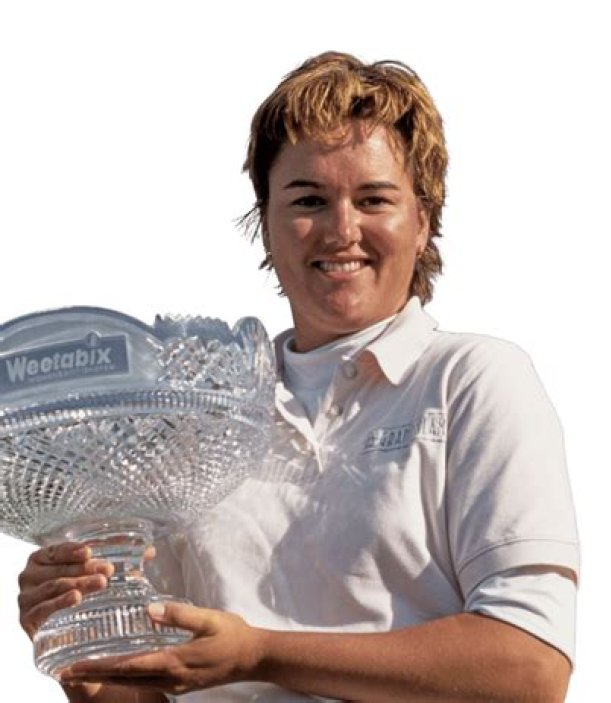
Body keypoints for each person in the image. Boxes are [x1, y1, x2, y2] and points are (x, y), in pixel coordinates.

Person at [16, 52, 579, 702]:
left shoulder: (473, 380)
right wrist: (88, 655)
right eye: (309, 199)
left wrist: (258, 653)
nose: (342, 229)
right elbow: (160, 687)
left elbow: (531, 669)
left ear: (423, 221)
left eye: (374, 199)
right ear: (265, 224)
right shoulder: (199, 419)